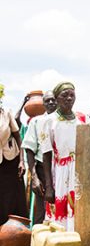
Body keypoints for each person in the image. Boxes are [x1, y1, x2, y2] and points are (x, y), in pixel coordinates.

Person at [41, 82, 82, 231]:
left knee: (78, 209)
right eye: (65, 95)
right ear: (57, 99)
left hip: (79, 171)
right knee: (61, 212)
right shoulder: (49, 121)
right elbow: (46, 155)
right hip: (60, 171)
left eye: (72, 95)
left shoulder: (82, 119)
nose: (69, 98)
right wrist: (49, 187)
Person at [21, 91, 57, 224]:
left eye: (53, 100)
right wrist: (35, 178)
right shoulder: (37, 121)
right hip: (42, 170)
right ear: (43, 104)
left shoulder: (66, 121)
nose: (51, 103)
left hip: (62, 169)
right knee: (42, 210)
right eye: (47, 101)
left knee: (61, 209)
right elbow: (29, 149)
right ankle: (38, 242)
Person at [0, 84, 28, 225]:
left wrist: (22, 161)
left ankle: (16, 232)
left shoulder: (6, 113)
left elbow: (18, 136)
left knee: (13, 196)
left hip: (11, 160)